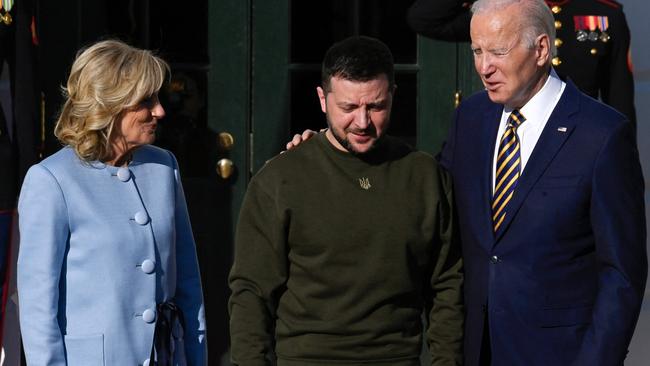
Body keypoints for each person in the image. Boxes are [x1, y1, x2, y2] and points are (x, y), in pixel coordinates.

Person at [229, 36, 463, 365]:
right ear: (323, 100)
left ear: (393, 96)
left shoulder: (423, 176)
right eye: (349, 108)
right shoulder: (279, 180)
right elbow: (251, 292)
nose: (363, 122)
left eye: (376, 106)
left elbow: (447, 285)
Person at [440, 0, 646, 364]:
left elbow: (622, 274)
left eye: (498, 51)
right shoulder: (469, 119)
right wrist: (328, 151)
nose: (483, 67)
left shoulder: (602, 135)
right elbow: (429, 198)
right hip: (476, 350)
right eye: (477, 50)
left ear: (541, 49)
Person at [17, 39, 207, 366]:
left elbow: (188, 280)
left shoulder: (164, 166)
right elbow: (37, 308)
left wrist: (195, 356)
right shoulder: (51, 180)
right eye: (146, 101)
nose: (160, 111)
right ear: (109, 103)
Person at [407, 0, 637, 126]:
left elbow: (620, 101)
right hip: (509, 127)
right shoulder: (507, 9)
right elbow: (424, 19)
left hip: (578, 133)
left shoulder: (604, 13)